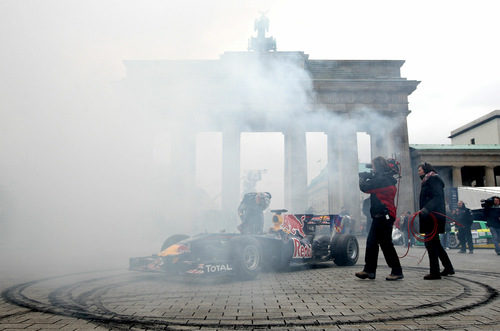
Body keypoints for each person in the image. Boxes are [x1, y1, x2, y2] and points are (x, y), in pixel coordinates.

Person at [355, 156, 404, 281]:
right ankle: (372, 270)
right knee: (380, 243)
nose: (373, 168)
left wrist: (362, 177)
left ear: (378, 166)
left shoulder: (383, 180)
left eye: (374, 165)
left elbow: (365, 187)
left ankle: (376, 270)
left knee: (377, 243)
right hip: (383, 215)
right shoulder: (385, 178)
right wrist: (370, 175)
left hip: (383, 215)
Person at [418, 162, 454, 280]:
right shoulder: (428, 180)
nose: (418, 172)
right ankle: (448, 267)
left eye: (420, 170)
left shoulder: (433, 179)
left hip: (433, 217)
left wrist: (426, 209)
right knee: (436, 244)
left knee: (430, 244)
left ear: (426, 170)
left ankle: (435, 272)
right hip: (430, 216)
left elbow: (437, 197)